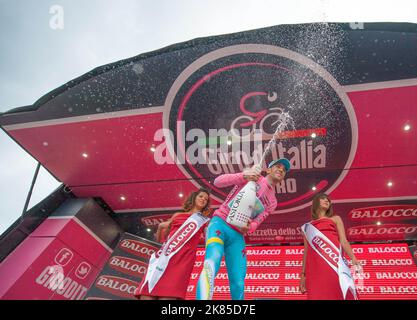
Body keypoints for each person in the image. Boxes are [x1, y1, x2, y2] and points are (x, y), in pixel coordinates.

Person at [196, 158, 291, 300]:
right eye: (278, 167)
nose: (281, 170)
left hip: (237, 236)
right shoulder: (253, 177)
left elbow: (257, 222)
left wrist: (249, 227)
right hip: (220, 224)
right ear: (269, 170)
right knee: (211, 264)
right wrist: (244, 175)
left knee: (239, 282)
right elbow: (218, 181)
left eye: (284, 170)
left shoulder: (273, 202)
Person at [135, 188, 211, 300]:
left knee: (169, 295)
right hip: (165, 256)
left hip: (183, 259)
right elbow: (162, 229)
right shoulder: (177, 215)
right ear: (194, 197)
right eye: (201, 196)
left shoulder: (204, 220)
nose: (203, 199)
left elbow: (209, 239)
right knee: (146, 295)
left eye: (206, 199)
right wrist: (159, 242)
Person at [299, 193, 362, 300]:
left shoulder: (335, 219)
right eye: (323, 198)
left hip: (334, 262)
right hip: (315, 267)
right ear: (315, 203)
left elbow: (343, 240)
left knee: (339, 289)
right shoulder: (306, 227)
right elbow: (306, 251)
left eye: (328, 200)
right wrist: (303, 275)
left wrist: (353, 257)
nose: (327, 201)